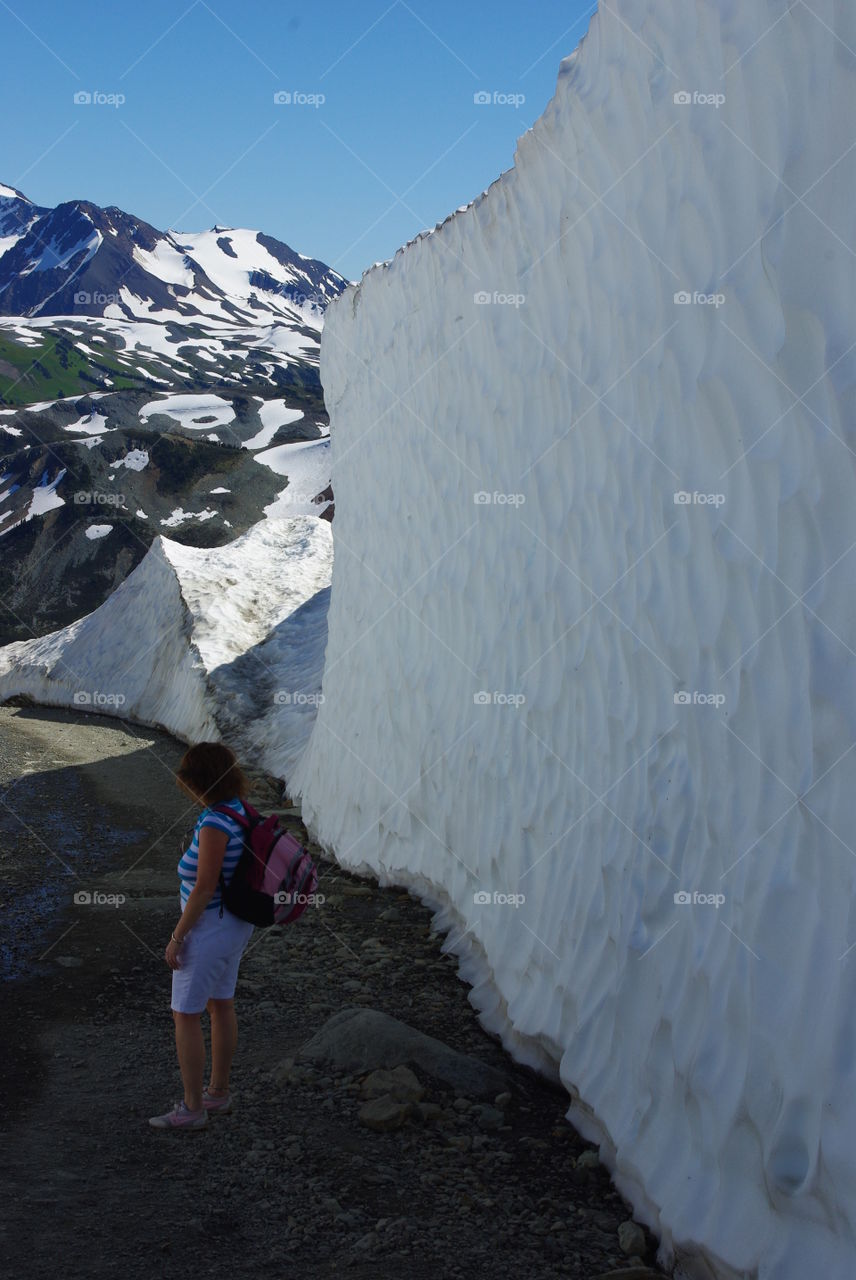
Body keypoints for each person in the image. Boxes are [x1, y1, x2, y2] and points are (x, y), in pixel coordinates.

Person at [149, 742, 254, 1130]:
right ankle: (218, 1093)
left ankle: (192, 1108)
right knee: (220, 1004)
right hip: (233, 925)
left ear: (200, 781)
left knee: (185, 1014)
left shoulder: (214, 823)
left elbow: (204, 887)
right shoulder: (238, 810)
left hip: (210, 928)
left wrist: (177, 937)